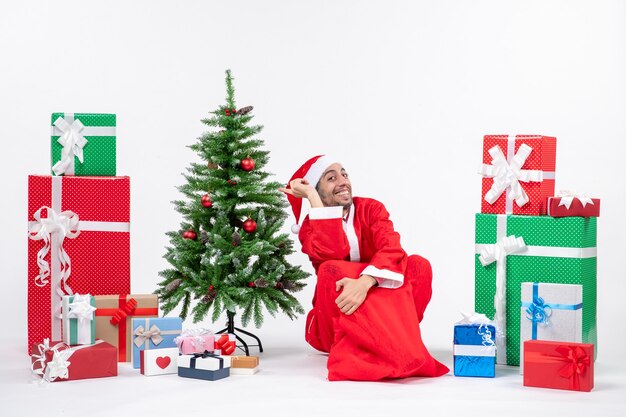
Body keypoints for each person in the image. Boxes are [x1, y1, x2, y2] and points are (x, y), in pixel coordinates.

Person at [280, 155, 449, 381]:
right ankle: (379, 350)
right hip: (337, 314)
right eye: (331, 178)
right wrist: (311, 196)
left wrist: (365, 282)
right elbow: (333, 254)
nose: (343, 181)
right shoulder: (310, 227)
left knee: (418, 265)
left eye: (345, 174)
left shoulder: (371, 208)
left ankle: (395, 339)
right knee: (333, 269)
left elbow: (392, 247)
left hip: (371, 293)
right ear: (318, 193)